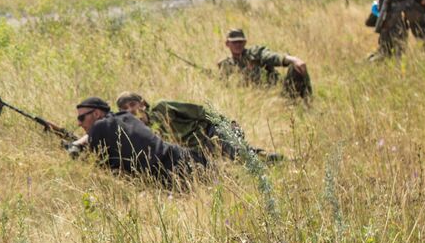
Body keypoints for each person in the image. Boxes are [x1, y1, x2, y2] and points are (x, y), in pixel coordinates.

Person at [65, 97, 206, 183]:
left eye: (81, 118)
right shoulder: (124, 117)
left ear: (96, 113)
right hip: (189, 157)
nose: (79, 123)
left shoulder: (100, 127)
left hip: (175, 170)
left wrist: (74, 145)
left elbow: (89, 162)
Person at [114, 92, 277, 161]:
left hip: (211, 132)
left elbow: (199, 112)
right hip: (198, 152)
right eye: (125, 109)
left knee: (241, 156)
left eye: (133, 104)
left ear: (142, 103)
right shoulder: (141, 133)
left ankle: (277, 160)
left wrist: (226, 124)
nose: (131, 110)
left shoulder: (161, 108)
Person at [217, 29, 311, 100]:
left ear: (245, 42)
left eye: (240, 41)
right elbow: (224, 88)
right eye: (234, 42)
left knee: (296, 68)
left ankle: (308, 103)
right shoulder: (225, 65)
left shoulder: (254, 53)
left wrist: (292, 59)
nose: (237, 45)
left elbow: (270, 56)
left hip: (279, 94)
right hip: (254, 101)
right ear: (227, 44)